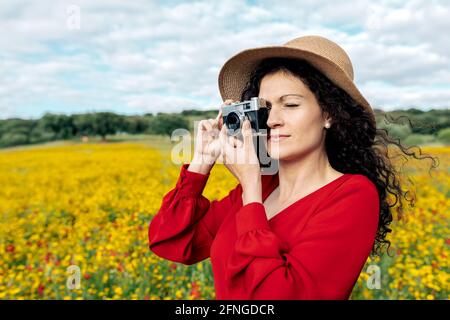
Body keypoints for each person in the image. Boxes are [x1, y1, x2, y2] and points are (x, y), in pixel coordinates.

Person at [148, 35, 431, 299]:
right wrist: (200, 164)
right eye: (266, 108)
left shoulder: (353, 195)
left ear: (329, 115)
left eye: (291, 105)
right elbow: (171, 242)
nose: (272, 120)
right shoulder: (264, 186)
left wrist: (251, 191)